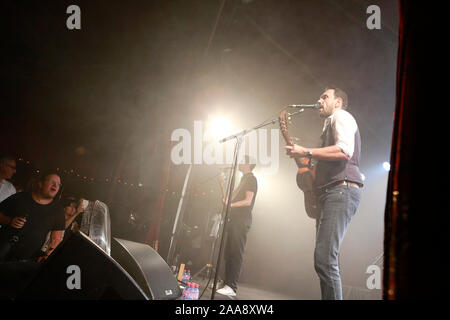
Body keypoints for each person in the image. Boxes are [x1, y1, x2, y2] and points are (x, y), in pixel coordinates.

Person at [285, 86, 363, 300]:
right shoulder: (328, 124)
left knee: (325, 259)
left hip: (341, 190)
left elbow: (344, 151)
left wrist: (307, 151)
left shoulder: (341, 115)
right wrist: (305, 160)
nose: (319, 100)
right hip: (331, 192)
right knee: (324, 261)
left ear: (337, 102)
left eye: (324, 97)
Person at [0, 172, 65, 262]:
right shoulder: (20, 198)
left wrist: (47, 255)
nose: (55, 185)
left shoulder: (58, 210)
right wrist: (10, 221)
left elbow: (56, 239)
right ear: (40, 184)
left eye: (58, 184)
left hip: (26, 260)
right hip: (3, 249)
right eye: (52, 181)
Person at [216, 155, 258, 297]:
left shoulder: (251, 179)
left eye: (242, 162)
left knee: (236, 253)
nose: (239, 163)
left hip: (242, 220)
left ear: (248, 164)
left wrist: (231, 205)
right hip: (234, 220)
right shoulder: (243, 180)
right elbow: (229, 200)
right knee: (229, 252)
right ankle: (226, 282)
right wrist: (223, 185)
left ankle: (231, 286)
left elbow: (248, 201)